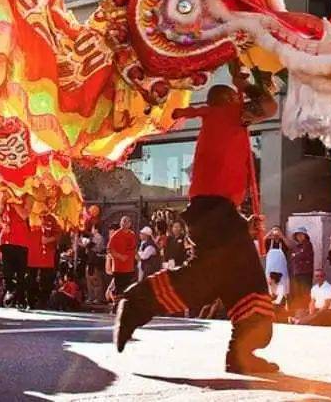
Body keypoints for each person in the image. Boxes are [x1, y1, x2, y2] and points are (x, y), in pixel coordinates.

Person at [115, 72, 280, 374]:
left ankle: (240, 352)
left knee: (222, 280)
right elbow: (269, 106)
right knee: (229, 281)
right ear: (230, 100)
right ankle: (140, 300)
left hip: (215, 211)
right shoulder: (230, 114)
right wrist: (248, 82)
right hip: (216, 211)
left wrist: (241, 225)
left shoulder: (215, 120)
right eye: (236, 96)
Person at [0, 194, 30, 308]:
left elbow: (25, 215)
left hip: (22, 240)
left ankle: (21, 299)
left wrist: (13, 203)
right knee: (7, 271)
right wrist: (2, 224)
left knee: (21, 273)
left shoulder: (27, 196)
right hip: (7, 239)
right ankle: (10, 290)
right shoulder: (4, 194)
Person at [26, 214, 59, 309]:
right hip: (32, 254)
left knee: (46, 280)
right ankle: (30, 302)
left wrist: (49, 239)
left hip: (47, 255)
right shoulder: (30, 216)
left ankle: (43, 301)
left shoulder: (52, 218)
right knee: (31, 280)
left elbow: (58, 233)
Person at [107, 216, 138, 299]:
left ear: (130, 224)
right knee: (119, 289)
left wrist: (135, 256)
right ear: (121, 223)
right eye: (123, 221)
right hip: (118, 268)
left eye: (127, 221)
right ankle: (116, 306)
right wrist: (119, 256)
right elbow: (109, 249)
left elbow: (134, 248)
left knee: (127, 289)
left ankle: (124, 306)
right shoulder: (116, 234)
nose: (125, 223)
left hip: (129, 268)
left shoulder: (132, 235)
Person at [289, 227, 314, 312]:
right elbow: (292, 257)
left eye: (301, 234)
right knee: (298, 292)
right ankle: (300, 311)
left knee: (305, 292)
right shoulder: (296, 246)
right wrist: (296, 255)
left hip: (306, 272)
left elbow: (303, 255)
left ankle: (306, 310)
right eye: (297, 235)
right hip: (297, 272)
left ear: (305, 235)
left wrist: (296, 255)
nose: (299, 236)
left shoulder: (308, 244)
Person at [264, 225, 290, 301]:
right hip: (270, 270)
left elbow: (290, 246)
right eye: (274, 230)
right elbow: (261, 242)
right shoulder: (269, 242)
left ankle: (283, 302)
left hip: (281, 270)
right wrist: (269, 234)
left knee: (282, 287)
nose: (276, 232)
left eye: (277, 230)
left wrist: (282, 236)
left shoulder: (283, 241)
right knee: (270, 287)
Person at [84, 223, 106, 304]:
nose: (91, 230)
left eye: (93, 228)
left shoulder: (98, 237)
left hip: (95, 261)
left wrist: (84, 243)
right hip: (90, 260)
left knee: (96, 279)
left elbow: (90, 246)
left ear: (96, 229)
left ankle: (97, 298)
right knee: (90, 279)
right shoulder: (92, 237)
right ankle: (91, 297)